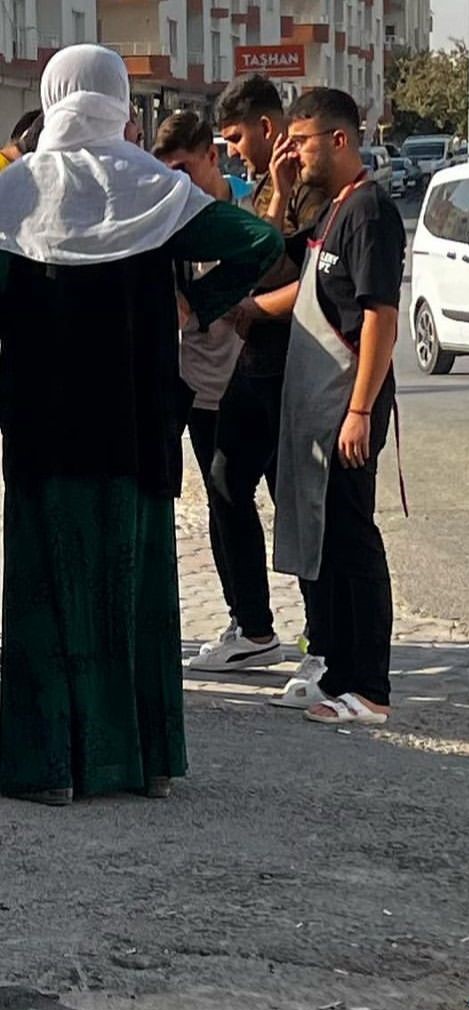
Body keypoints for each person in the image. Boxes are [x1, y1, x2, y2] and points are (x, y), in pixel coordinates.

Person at [0, 44, 282, 806]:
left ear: (55, 95)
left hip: (42, 430)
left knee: (44, 589)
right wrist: (197, 303)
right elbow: (261, 241)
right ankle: (146, 763)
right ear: (119, 100)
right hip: (135, 423)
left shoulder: (14, 191)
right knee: (135, 585)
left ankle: (49, 768)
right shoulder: (150, 187)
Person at [236, 88, 404, 726]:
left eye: (302, 142)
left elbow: (379, 317)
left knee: (356, 543)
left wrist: (360, 410)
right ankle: (337, 671)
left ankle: (371, 689)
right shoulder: (332, 210)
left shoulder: (369, 212)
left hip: (346, 408)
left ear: (339, 140)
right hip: (317, 408)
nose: (293, 150)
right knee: (329, 543)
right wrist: (275, 182)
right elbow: (280, 269)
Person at [187, 75, 330, 691]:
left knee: (300, 504)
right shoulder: (272, 192)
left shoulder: (321, 197)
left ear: (267, 130)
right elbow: (260, 251)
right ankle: (254, 628)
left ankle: (321, 643)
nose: (236, 151)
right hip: (259, 369)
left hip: (295, 369)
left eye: (238, 137)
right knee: (227, 484)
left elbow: (320, 279)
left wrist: (255, 308)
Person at [154, 110, 261, 643]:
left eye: (185, 169)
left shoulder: (245, 211)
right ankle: (242, 618)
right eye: (167, 172)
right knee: (221, 504)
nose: (179, 183)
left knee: (243, 501)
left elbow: (269, 264)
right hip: (197, 383)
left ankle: (263, 624)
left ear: (213, 158)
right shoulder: (170, 218)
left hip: (248, 374)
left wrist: (198, 303)